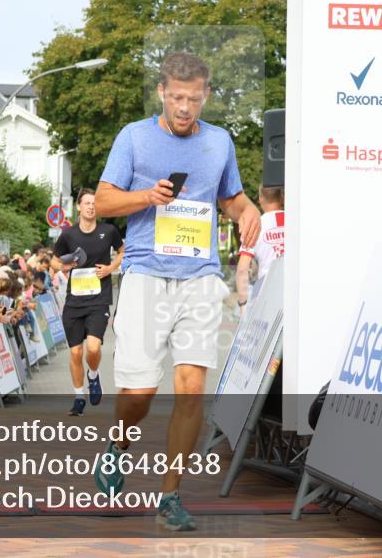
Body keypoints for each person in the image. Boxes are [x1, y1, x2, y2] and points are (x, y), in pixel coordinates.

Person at [91, 52, 261, 530]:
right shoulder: (134, 137)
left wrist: (247, 212)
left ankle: (171, 494)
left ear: (206, 94)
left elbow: (230, 197)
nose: (186, 107)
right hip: (145, 272)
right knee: (139, 393)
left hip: (201, 275)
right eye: (177, 97)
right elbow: (104, 200)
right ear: (162, 92)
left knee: (190, 388)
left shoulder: (219, 142)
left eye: (195, 98)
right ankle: (119, 444)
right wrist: (147, 196)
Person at [52, 188, 125, 417]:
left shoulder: (108, 231)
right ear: (79, 207)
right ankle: (78, 397)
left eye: (94, 203)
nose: (91, 207)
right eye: (87, 203)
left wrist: (111, 268)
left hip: (98, 300)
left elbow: (123, 251)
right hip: (74, 302)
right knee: (75, 353)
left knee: (93, 348)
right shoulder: (69, 235)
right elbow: (54, 261)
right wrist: (63, 267)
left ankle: (93, 374)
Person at [235, 185, 284, 312]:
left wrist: (242, 304)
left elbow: (242, 270)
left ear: (260, 199)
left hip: (268, 297)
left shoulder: (254, 226)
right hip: (296, 294)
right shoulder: (298, 222)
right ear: (282, 198)